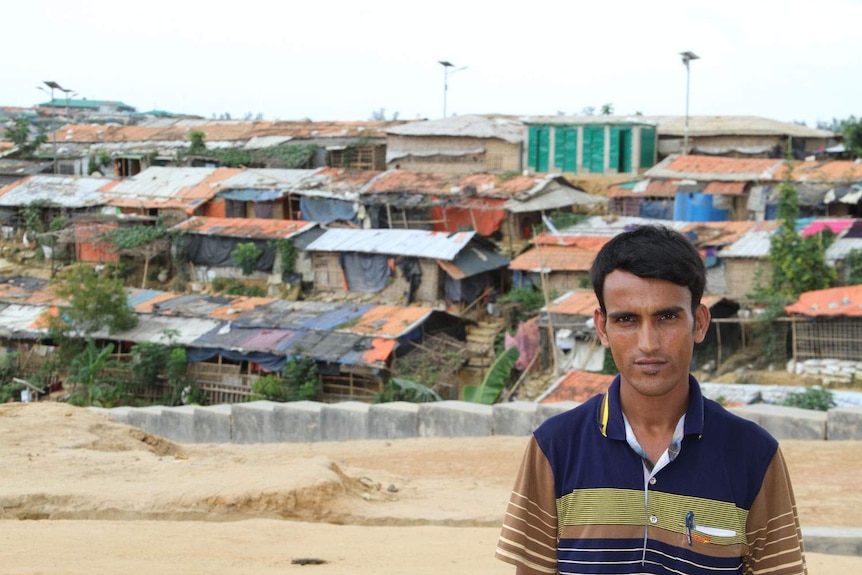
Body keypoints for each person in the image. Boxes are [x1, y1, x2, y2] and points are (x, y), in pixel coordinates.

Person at [496, 225, 806, 575]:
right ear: (602, 328)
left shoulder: (754, 454)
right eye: (627, 319)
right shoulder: (554, 448)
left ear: (699, 322)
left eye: (667, 317)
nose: (648, 343)